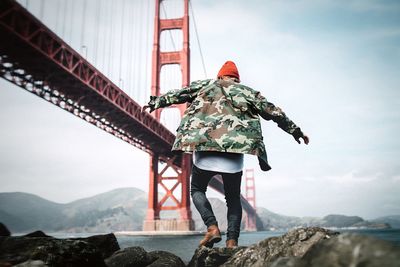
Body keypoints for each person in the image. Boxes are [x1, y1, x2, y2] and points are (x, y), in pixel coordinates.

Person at [143, 61, 309, 248]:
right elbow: (274, 112)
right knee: (233, 199)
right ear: (236, 79)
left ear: (220, 77)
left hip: (206, 151)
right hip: (234, 155)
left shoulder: (205, 85)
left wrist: (155, 102)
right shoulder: (248, 92)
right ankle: (232, 242)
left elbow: (178, 95)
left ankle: (212, 227)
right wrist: (296, 132)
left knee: (197, 190)